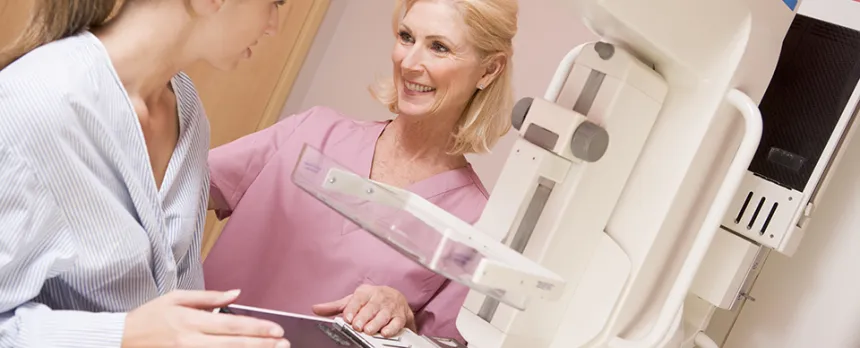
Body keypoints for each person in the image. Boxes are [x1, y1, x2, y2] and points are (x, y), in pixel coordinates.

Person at [202, 0, 518, 344]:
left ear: (489, 70)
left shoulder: (473, 224)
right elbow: (164, 187)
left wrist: (404, 319)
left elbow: (440, 343)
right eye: (406, 37)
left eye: (439, 47)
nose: (410, 63)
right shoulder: (312, 132)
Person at [0, 0, 293, 347]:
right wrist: (122, 335)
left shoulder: (188, 112)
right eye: (274, 3)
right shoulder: (31, 104)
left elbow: (177, 289)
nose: (274, 25)